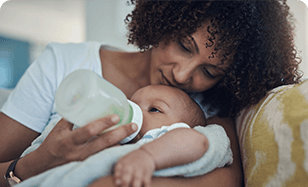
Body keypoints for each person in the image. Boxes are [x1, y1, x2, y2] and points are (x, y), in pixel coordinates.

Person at [0, 0, 302, 187]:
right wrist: (34, 164)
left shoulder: (212, 106)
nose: (182, 75)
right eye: (184, 45)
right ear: (165, 17)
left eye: (209, 72)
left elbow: (224, 180)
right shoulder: (64, 64)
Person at [15, 84, 232, 187]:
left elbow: (196, 141)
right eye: (132, 104)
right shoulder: (109, 138)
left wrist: (147, 156)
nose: (133, 112)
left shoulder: (168, 136)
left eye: (154, 109)